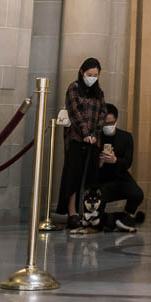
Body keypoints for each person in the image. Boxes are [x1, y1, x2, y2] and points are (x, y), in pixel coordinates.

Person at [58, 57, 107, 227]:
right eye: (89, 74)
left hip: (94, 140)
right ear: (82, 72)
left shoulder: (99, 93)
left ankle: (87, 214)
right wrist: (85, 132)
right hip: (77, 139)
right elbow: (74, 111)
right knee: (73, 177)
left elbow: (102, 112)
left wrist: (95, 133)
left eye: (95, 75)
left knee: (91, 178)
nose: (92, 77)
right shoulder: (74, 88)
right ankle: (72, 213)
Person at [96, 103, 145, 232]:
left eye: (111, 123)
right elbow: (89, 163)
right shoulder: (97, 137)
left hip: (120, 178)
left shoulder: (126, 137)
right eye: (105, 124)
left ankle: (126, 216)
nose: (108, 127)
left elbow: (128, 162)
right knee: (98, 211)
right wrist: (99, 163)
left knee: (137, 194)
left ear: (116, 121)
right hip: (102, 180)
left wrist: (115, 160)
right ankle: (105, 219)